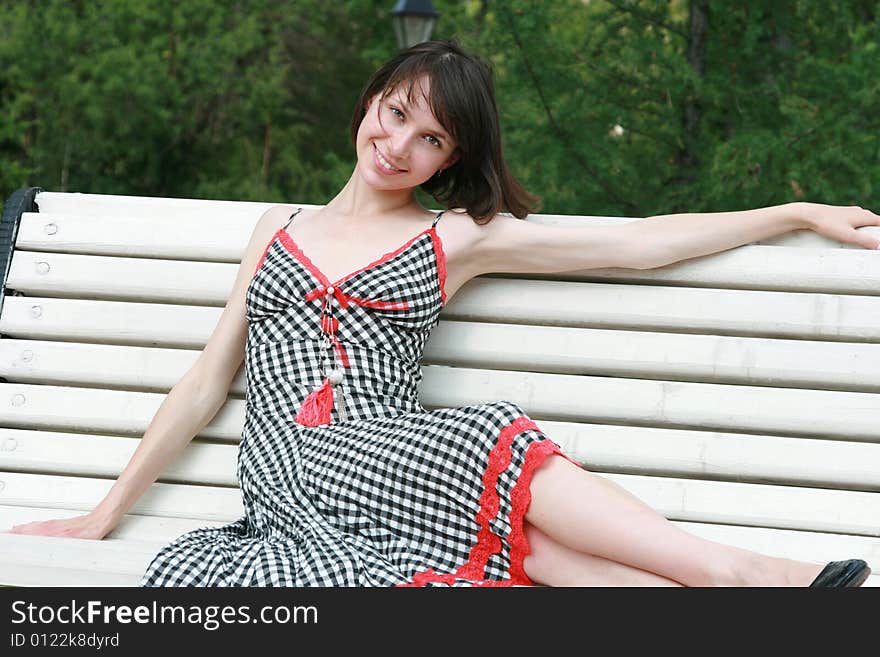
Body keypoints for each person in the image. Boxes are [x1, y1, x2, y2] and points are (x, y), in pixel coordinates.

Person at [7, 39, 878, 587]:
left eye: (430, 140)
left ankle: (744, 593)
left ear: (448, 159)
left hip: (392, 455)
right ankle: (742, 573)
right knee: (484, 438)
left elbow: (642, 242)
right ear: (369, 104)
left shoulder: (455, 239)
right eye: (395, 117)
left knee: (543, 557)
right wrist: (105, 511)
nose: (398, 148)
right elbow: (205, 383)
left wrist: (794, 213)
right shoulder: (277, 231)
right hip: (291, 475)